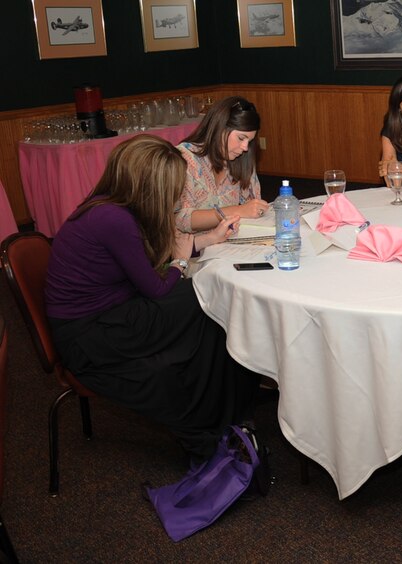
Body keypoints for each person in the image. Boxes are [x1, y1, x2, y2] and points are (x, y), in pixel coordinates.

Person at [45, 135, 259, 461]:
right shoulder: (113, 220)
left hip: (106, 314)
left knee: (203, 299)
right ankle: (216, 410)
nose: (176, 194)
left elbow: (148, 263)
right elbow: (158, 286)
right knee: (203, 297)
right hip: (91, 334)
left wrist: (206, 240)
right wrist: (181, 261)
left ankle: (218, 410)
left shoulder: (108, 206)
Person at [176, 96, 269, 233]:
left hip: (228, 244)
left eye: (249, 141)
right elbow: (179, 219)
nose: (245, 147)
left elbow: (253, 205)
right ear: (220, 127)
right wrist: (236, 211)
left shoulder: (240, 158)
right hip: (192, 249)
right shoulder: (185, 159)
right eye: (241, 138)